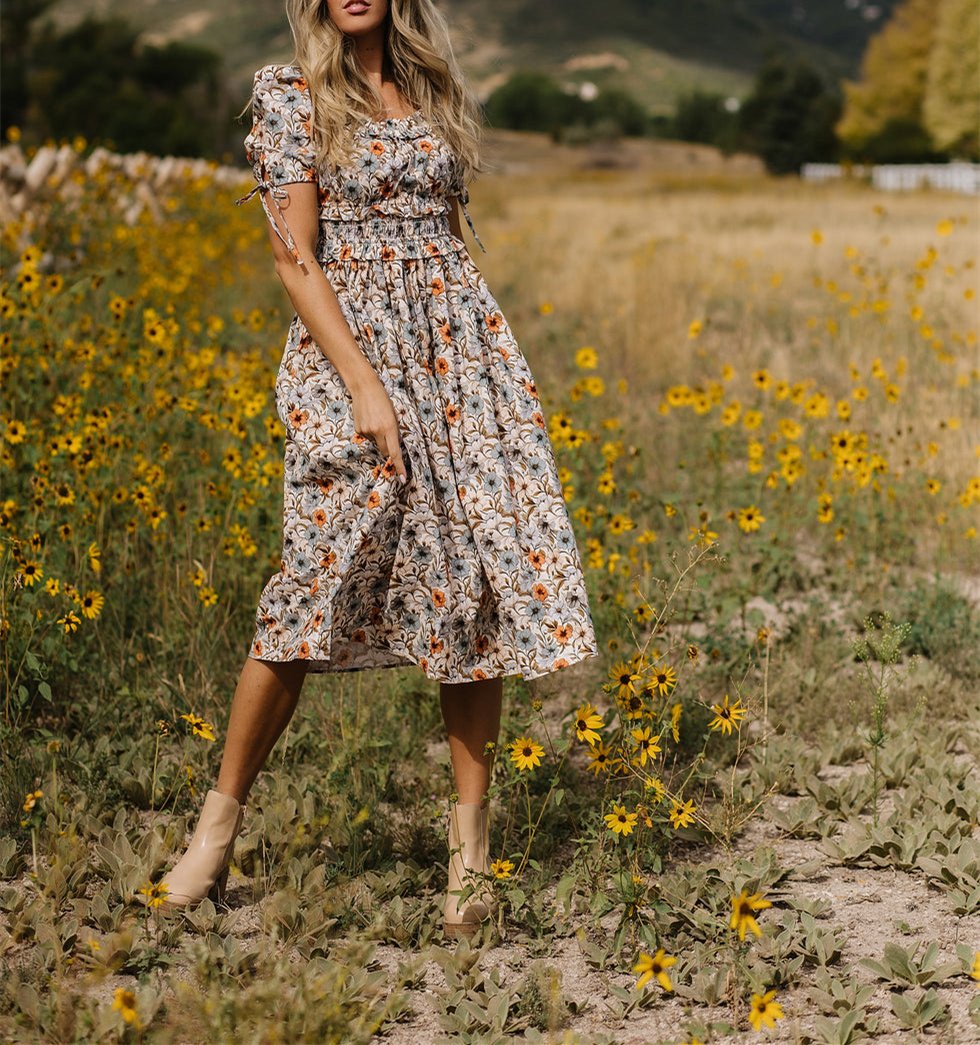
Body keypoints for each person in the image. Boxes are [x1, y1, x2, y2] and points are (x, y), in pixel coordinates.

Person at [152, 0, 598, 938]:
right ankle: (215, 831)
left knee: (469, 584)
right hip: (346, 353)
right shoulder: (290, 94)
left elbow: (448, 237)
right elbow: (294, 255)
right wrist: (364, 382)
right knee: (309, 584)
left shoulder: (433, 86)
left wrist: (467, 367)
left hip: (456, 352)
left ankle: (469, 856)